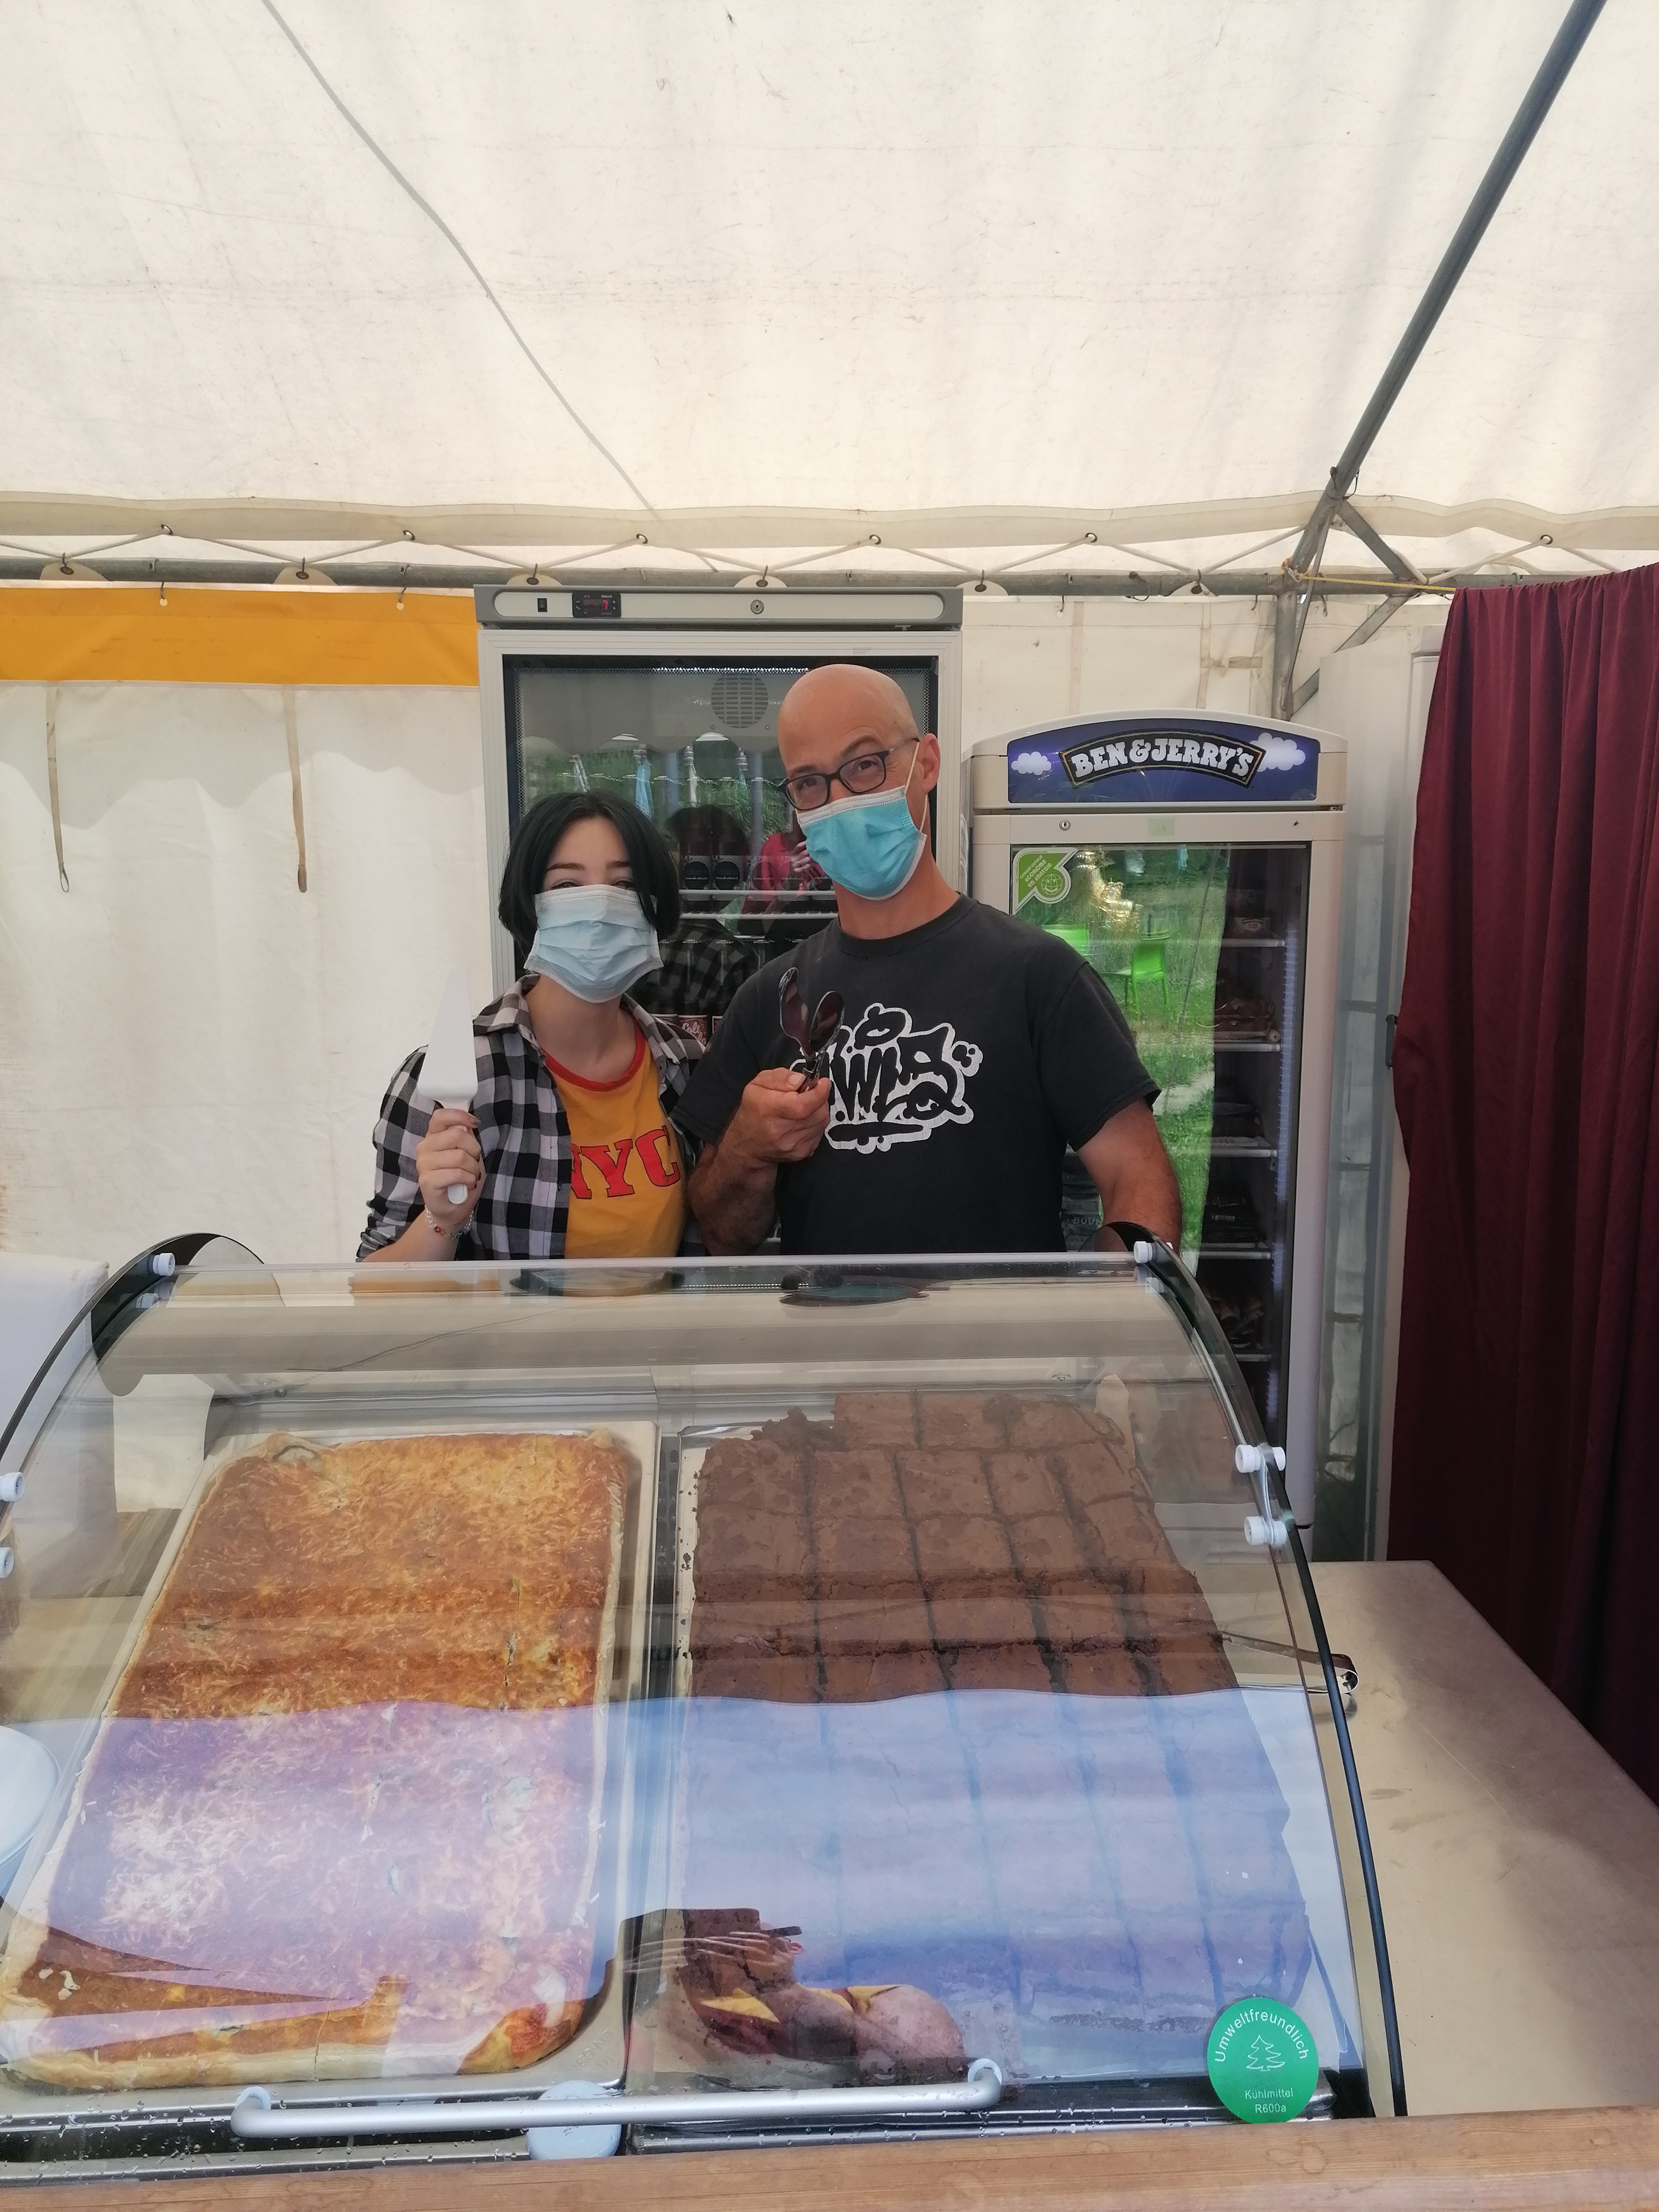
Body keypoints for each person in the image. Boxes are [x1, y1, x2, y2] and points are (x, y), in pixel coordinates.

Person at [678, 664, 1181, 1256]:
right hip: (821, 1321)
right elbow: (722, 1236)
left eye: (864, 765)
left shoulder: (1040, 977)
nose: (840, 801)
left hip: (999, 1322)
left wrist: (1112, 1299)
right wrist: (748, 1149)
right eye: (810, 782)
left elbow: (1137, 1180)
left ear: (927, 763)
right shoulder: (771, 1000)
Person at [359, 794, 700, 1263]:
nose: (600, 909)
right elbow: (373, 1284)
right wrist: (443, 1220)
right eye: (566, 885)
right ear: (529, 907)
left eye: (625, 885)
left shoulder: (684, 1063)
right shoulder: (450, 1079)